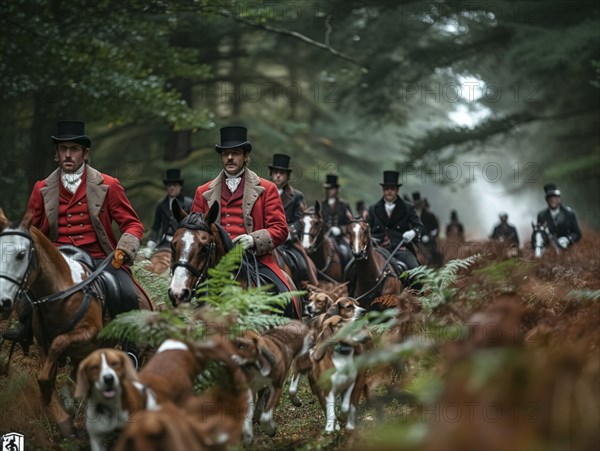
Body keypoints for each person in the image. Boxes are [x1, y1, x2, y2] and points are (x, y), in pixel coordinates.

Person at [12, 120, 147, 364]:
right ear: (57, 154)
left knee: (127, 292)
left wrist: (124, 249)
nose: (68, 154)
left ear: (85, 153)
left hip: (99, 258)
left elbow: (133, 225)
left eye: (74, 149)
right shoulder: (41, 188)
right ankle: (24, 331)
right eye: (63, 149)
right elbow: (30, 228)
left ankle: (130, 350)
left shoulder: (109, 185)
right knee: (26, 289)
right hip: (56, 258)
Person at [191, 126, 301, 318]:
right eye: (226, 154)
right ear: (221, 157)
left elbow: (281, 229)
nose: (230, 158)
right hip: (215, 266)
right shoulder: (203, 191)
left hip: (256, 261)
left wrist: (254, 240)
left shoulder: (267, 188)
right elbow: (193, 232)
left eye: (235, 153)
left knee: (286, 296)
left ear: (245, 156)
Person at [268, 153, 318, 286]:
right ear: (271, 174)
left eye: (282, 173)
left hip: (288, 241)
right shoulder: (263, 193)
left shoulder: (297, 196)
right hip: (267, 238)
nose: (278, 176)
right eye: (275, 172)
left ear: (287, 176)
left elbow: (301, 219)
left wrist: (290, 231)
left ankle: (303, 292)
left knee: (301, 264)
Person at [367, 171, 426, 274]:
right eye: (387, 189)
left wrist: (413, 232)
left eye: (392, 189)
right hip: (378, 249)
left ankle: (415, 290)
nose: (389, 191)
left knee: (417, 273)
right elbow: (367, 229)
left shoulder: (408, 207)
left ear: (397, 190)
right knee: (354, 270)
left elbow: (420, 227)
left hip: (400, 249)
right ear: (383, 190)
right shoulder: (373, 209)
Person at [141, 168, 193, 258]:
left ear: (180, 187)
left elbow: (192, 227)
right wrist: (151, 244)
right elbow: (156, 227)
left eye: (174, 185)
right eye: (169, 185)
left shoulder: (189, 203)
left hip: (181, 241)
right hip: (163, 242)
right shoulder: (161, 204)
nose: (171, 188)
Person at [536, 183, 581, 249]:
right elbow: (539, 235)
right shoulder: (541, 216)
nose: (552, 200)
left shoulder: (569, 213)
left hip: (568, 250)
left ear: (559, 198)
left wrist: (568, 239)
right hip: (549, 252)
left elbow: (577, 234)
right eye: (549, 197)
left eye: (554, 197)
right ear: (546, 200)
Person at [320, 174, 353, 264]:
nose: (329, 191)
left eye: (331, 189)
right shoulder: (322, 205)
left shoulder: (344, 205)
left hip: (339, 238)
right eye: (327, 189)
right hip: (325, 236)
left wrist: (341, 229)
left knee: (346, 252)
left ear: (336, 189)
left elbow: (350, 224)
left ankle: (347, 275)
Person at [412, 192, 442, 267]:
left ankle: (437, 267)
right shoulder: (411, 215)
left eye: (418, 203)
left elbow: (436, 228)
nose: (417, 205)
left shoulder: (430, 215)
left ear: (421, 203)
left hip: (427, 240)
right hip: (414, 239)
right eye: (416, 203)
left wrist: (429, 236)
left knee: (436, 253)